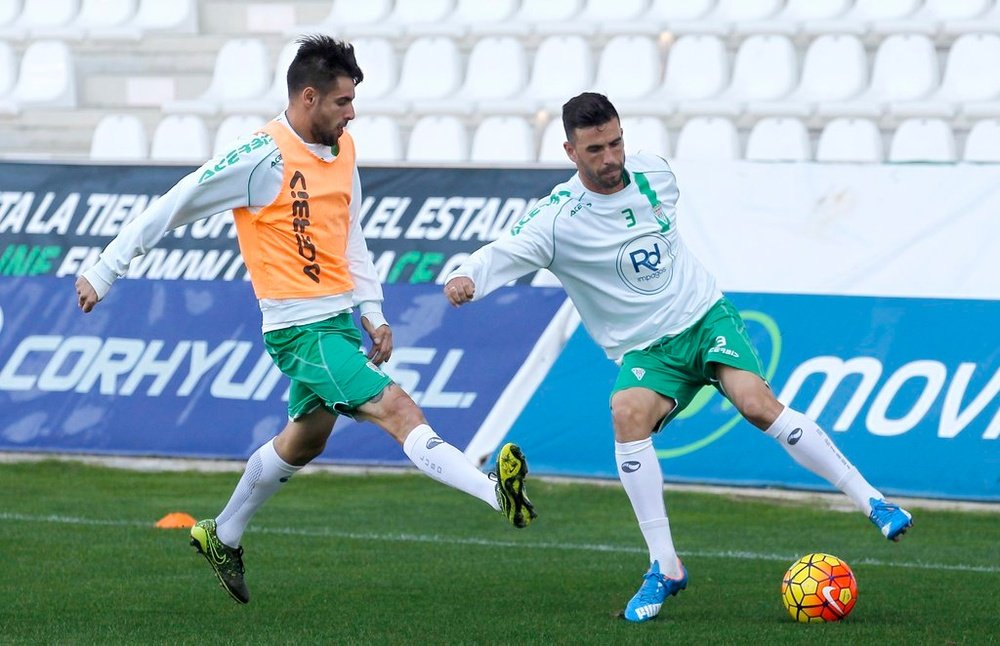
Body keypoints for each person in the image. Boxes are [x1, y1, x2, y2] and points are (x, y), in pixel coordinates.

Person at [74, 35, 536, 605]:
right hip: (298, 331)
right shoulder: (260, 157)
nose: (352, 113)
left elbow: (351, 233)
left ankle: (222, 533)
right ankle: (496, 494)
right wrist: (105, 267)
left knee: (305, 440)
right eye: (343, 102)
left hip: (339, 317)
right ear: (309, 97)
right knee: (398, 409)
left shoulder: (344, 149)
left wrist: (372, 310)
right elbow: (176, 202)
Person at [443, 92, 912, 623]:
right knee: (626, 413)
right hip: (648, 350)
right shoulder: (557, 221)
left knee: (757, 405)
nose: (611, 157)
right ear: (570, 151)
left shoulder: (654, 175)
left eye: (616, 142)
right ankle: (664, 566)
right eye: (595, 148)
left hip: (703, 315)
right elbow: (503, 252)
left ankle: (873, 500)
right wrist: (466, 279)